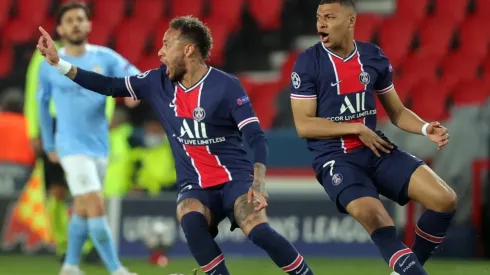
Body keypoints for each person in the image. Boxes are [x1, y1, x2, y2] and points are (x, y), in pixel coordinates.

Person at [37, 15, 315, 275]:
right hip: (194, 185)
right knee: (189, 217)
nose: (160, 52)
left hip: (234, 180)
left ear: (189, 50)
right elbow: (109, 85)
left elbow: (255, 135)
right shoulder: (157, 81)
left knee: (257, 229)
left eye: (167, 45)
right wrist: (60, 63)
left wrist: (259, 179)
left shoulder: (226, 86)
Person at [289, 1, 456, 274]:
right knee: (376, 217)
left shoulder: (372, 56)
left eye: (330, 17)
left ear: (351, 21)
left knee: (445, 199)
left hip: (376, 149)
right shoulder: (308, 62)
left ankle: (405, 269)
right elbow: (304, 125)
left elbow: (398, 112)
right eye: (319, 17)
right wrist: (354, 127)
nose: (321, 23)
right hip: (336, 159)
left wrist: (426, 128)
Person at [36, 2, 140, 275]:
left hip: (99, 145)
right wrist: (48, 143)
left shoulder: (105, 57)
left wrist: (132, 92)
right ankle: (116, 269)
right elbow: (42, 107)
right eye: (69, 20)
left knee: (83, 207)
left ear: (89, 24)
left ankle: (70, 266)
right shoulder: (49, 63)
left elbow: (134, 76)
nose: (76, 24)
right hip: (70, 146)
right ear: (60, 28)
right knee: (95, 204)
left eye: (80, 19)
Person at [25, 36, 101, 265]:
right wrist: (33, 131)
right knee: (57, 191)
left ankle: (88, 246)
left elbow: (99, 93)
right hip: (54, 126)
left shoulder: (93, 56)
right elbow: (33, 93)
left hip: (82, 128)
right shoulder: (43, 54)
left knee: (84, 190)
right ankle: (62, 244)